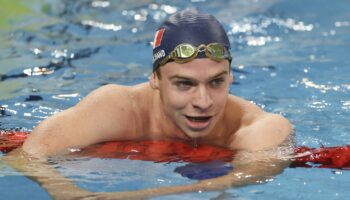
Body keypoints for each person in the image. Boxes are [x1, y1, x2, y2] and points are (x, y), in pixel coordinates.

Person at [4, 9, 293, 199]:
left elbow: (248, 177)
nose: (203, 102)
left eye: (216, 82)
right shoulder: (118, 107)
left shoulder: (262, 128)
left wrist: (134, 196)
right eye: (184, 84)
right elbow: (26, 156)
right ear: (155, 79)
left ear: (231, 77)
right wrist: (73, 194)